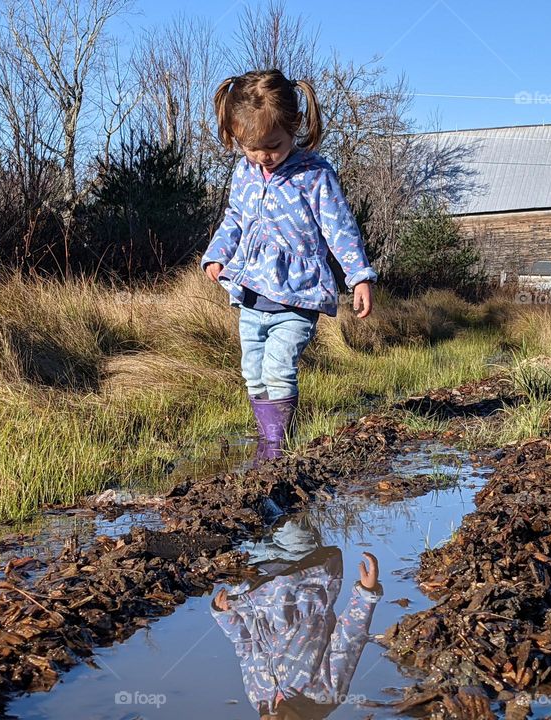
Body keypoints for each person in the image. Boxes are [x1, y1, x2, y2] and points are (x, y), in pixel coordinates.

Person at [201, 69, 377, 465]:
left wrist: (359, 276)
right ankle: (268, 440)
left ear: (295, 127)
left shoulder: (314, 175)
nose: (264, 156)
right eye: (252, 147)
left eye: (274, 145)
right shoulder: (244, 172)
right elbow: (235, 217)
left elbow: (340, 229)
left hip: (298, 295)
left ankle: (278, 442)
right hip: (250, 293)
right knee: (254, 371)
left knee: (279, 368)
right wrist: (217, 253)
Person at [210, 515, 382, 719]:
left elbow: (246, 650)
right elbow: (347, 642)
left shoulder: (258, 698)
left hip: (253, 577)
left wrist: (225, 617)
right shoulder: (322, 695)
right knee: (285, 513)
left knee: (241, 517)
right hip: (302, 571)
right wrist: (365, 594)